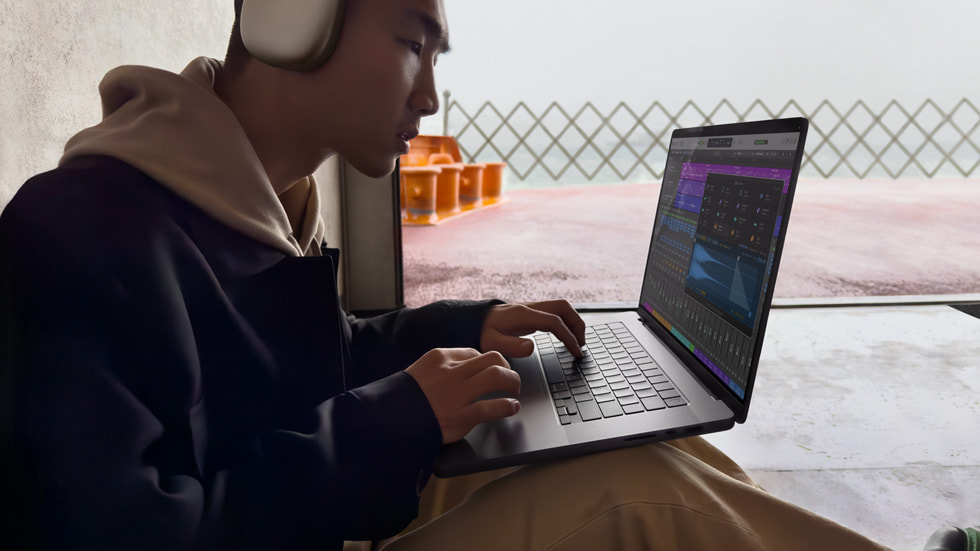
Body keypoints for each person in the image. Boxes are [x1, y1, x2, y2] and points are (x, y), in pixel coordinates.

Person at [0, 0, 972, 549]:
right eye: (413, 41)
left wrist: (468, 325)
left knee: (639, 445)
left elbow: (297, 368)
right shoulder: (82, 229)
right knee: (629, 493)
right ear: (297, 19)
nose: (429, 92)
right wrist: (393, 420)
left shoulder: (245, 195)